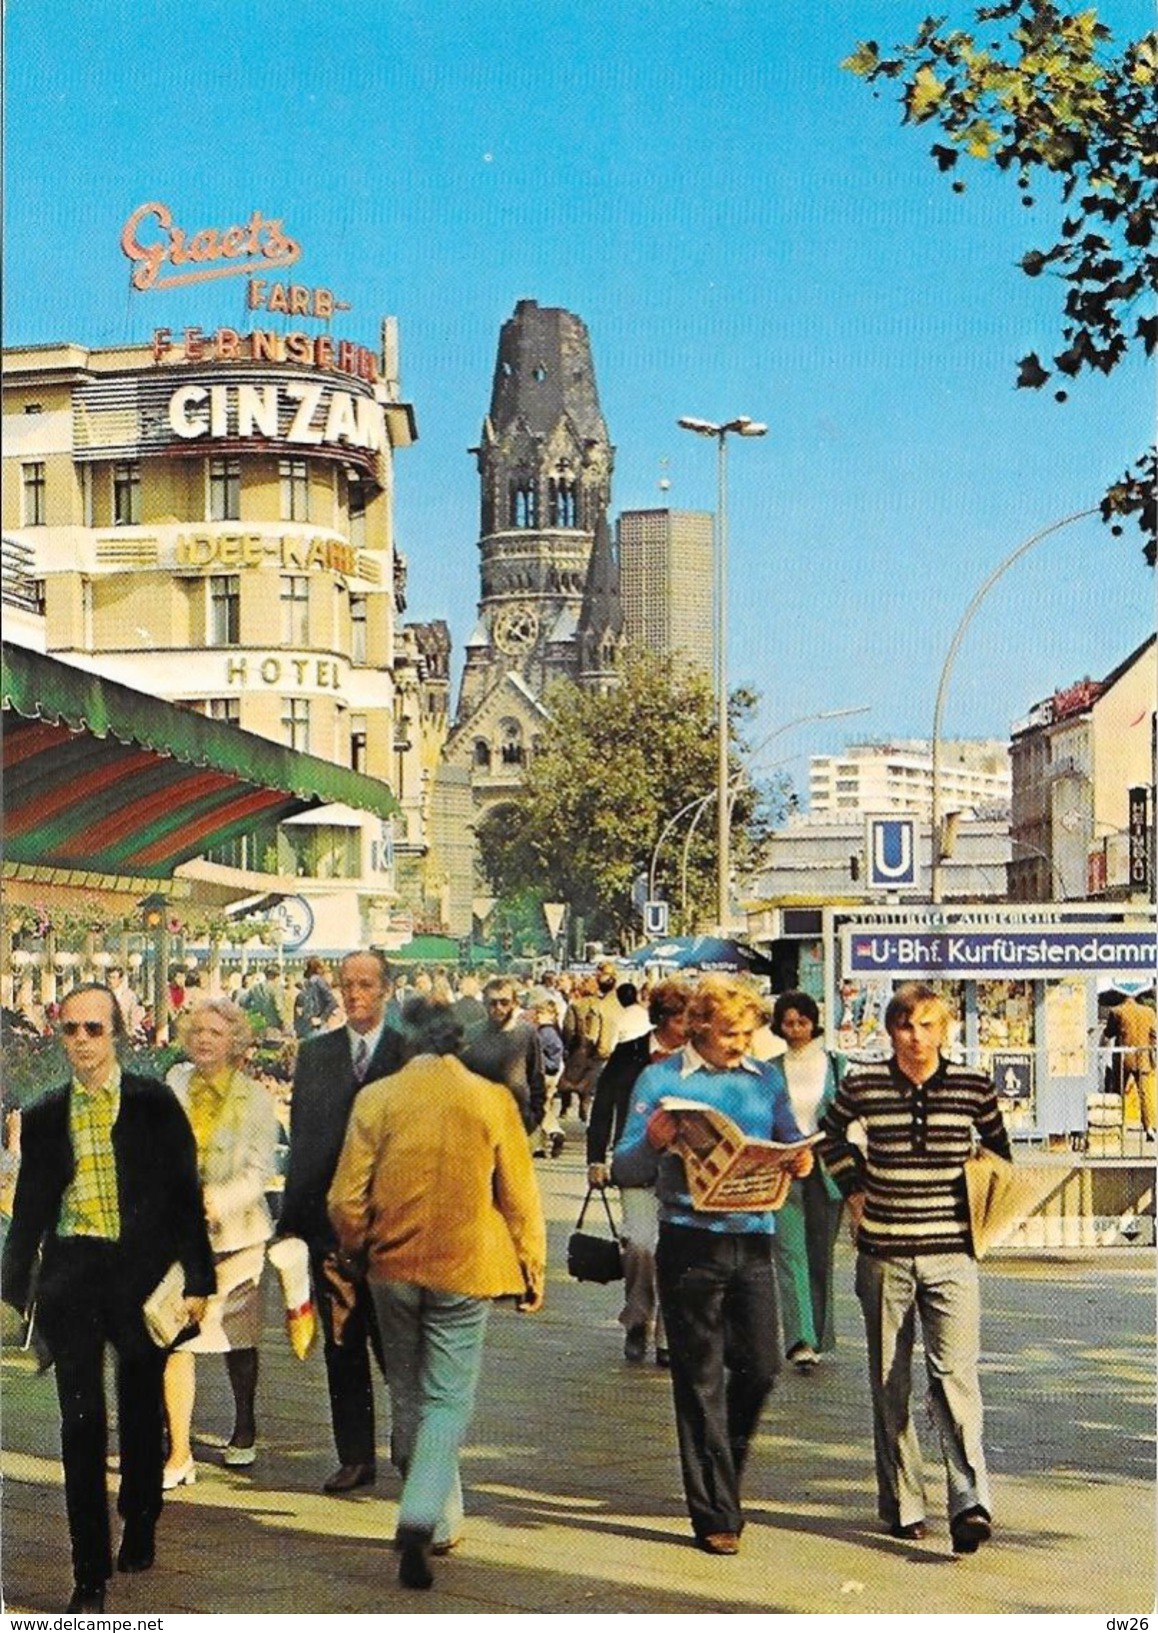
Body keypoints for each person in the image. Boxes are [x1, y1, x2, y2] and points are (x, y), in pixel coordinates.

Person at [1, 983, 214, 1613]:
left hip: (140, 1275)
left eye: (94, 1029)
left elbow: (184, 1195)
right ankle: (87, 1572)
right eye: (71, 1030)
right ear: (59, 1036)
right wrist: (13, 1286)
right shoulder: (42, 1117)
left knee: (142, 1408)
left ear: (116, 1033)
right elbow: (31, 1214)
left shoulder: (154, 1104)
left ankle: (142, 1510)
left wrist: (198, 1279)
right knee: (81, 1424)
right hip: (73, 1276)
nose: (82, 1042)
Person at [328, 997, 546, 1591]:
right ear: (457, 1039)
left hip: (392, 1267)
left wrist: (356, 1249)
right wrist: (533, 1268)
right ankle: (425, 1519)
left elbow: (346, 1199)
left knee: (407, 1388)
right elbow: (519, 1197)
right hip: (466, 1265)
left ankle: (435, 1514)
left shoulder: (378, 1098)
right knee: (447, 1396)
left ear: (404, 1041)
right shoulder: (491, 1099)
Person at [612, 975, 812, 1555]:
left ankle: (720, 1464)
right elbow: (626, 1166)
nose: (740, 1045)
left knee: (763, 1367)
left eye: (748, 1034)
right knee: (699, 1377)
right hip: (689, 1239)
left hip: (753, 1237)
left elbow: (790, 1138)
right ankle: (716, 1513)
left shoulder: (765, 1078)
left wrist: (796, 1162)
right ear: (698, 1026)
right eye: (729, 1034)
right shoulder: (661, 1079)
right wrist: (651, 1140)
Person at [819, 982, 1011, 1553]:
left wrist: (984, 1201)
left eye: (929, 1025)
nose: (917, 1037)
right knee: (890, 1381)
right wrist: (853, 1190)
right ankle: (903, 1502)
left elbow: (1000, 1152)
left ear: (945, 1030)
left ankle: (969, 1501)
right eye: (907, 1026)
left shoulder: (974, 1086)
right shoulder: (864, 1084)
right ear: (890, 1031)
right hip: (884, 1252)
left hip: (952, 1253)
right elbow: (829, 1135)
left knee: (955, 1377)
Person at [279, 950, 405, 1493]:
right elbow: (304, 1141)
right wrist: (294, 1221)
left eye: (366, 985)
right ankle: (355, 1455)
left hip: (396, 1231)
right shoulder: (317, 1054)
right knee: (341, 1339)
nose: (354, 995)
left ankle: (411, 1445)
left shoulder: (410, 1055)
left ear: (386, 990)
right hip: (333, 1228)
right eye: (346, 985)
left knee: (399, 1343)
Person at [162, 998, 279, 1487]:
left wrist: (217, 1200)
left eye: (215, 1032)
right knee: (173, 1337)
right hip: (178, 1236)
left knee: (237, 1341)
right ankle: (180, 1451)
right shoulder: (174, 1083)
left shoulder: (255, 1098)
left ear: (234, 1041)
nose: (205, 1039)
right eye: (198, 1031)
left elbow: (259, 1171)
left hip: (237, 1238)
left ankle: (244, 1423)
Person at [587, 978, 691, 1365]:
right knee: (641, 1245)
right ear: (662, 1018)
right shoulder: (630, 1053)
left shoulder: (699, 1058)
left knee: (676, 1251)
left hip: (685, 1170)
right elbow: (604, 1106)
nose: (688, 1027)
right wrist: (596, 1158)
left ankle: (668, 1337)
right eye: (681, 1018)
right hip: (636, 1164)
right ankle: (638, 1318)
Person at [765, 990, 845, 1372]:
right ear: (778, 1026)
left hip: (828, 1171)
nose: (795, 1029)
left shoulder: (837, 1066)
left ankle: (819, 1332)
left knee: (820, 1255)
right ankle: (801, 1339)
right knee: (788, 1252)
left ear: (814, 1022)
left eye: (802, 1021)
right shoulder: (768, 1069)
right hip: (784, 1169)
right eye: (788, 1022)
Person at [460, 977, 546, 1134]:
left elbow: (536, 1076)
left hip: (518, 1119)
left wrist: (536, 1116)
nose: (498, 1008)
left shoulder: (526, 1034)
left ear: (514, 1003)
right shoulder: (472, 1034)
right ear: (484, 1004)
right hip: (481, 1121)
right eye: (493, 1003)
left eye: (504, 1003)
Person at [1102, 993, 1157, 1138]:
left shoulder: (1117, 1011)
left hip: (1123, 1059)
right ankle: (1149, 1127)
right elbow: (1154, 1036)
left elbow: (1109, 1032)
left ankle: (1118, 1125)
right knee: (1145, 1094)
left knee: (1118, 1092)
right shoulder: (1149, 1012)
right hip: (1143, 1058)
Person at [531, 1000, 566, 1158]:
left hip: (544, 1074)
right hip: (553, 1073)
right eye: (537, 1012)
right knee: (546, 1106)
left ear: (551, 1015)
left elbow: (536, 1053)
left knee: (539, 1108)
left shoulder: (544, 1033)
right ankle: (540, 1145)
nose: (538, 1016)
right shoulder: (554, 1031)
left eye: (541, 1013)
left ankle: (554, 1131)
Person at [293, 956, 339, 1039]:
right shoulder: (311, 981)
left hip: (315, 1028)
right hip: (308, 1027)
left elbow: (332, 1002)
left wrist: (321, 1018)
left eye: (306, 966)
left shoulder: (317, 981)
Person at [239, 964, 286, 1037]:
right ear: (274, 976)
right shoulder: (276, 988)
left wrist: (253, 1008)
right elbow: (278, 1008)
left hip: (259, 1022)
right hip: (274, 1025)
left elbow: (242, 1001)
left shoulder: (255, 988)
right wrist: (283, 1023)